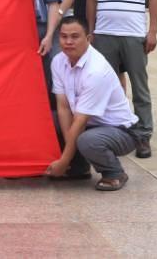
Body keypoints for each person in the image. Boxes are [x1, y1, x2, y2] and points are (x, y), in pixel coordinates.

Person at [86, 0, 157, 158]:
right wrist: (91, 30)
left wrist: (152, 31)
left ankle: (142, 135)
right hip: (104, 34)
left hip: (134, 35)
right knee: (106, 86)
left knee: (140, 88)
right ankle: (112, 131)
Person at [46, 16, 142, 191]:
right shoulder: (58, 61)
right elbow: (64, 107)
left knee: (87, 140)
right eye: (63, 36)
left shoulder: (96, 70)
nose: (68, 42)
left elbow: (80, 120)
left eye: (75, 37)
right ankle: (78, 168)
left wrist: (64, 159)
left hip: (121, 130)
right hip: (89, 124)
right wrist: (70, 154)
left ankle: (114, 173)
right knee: (48, 121)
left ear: (88, 39)